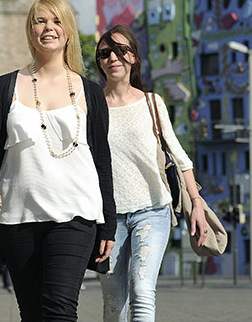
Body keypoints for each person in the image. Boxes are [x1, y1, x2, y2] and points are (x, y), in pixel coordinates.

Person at [0, 0, 116, 322]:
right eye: (40, 21)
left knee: (59, 308)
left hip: (75, 213)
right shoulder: (4, 86)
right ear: (30, 30)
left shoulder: (90, 91)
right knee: (33, 313)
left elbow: (102, 161)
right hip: (17, 214)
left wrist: (108, 223)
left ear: (68, 31)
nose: (48, 28)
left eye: (56, 21)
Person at [94, 25, 208, 322]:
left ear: (134, 57)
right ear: (99, 62)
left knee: (142, 291)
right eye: (105, 53)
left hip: (152, 210)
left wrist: (196, 204)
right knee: (113, 305)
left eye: (121, 50)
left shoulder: (152, 103)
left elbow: (180, 157)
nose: (113, 58)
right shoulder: (91, 107)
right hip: (107, 219)